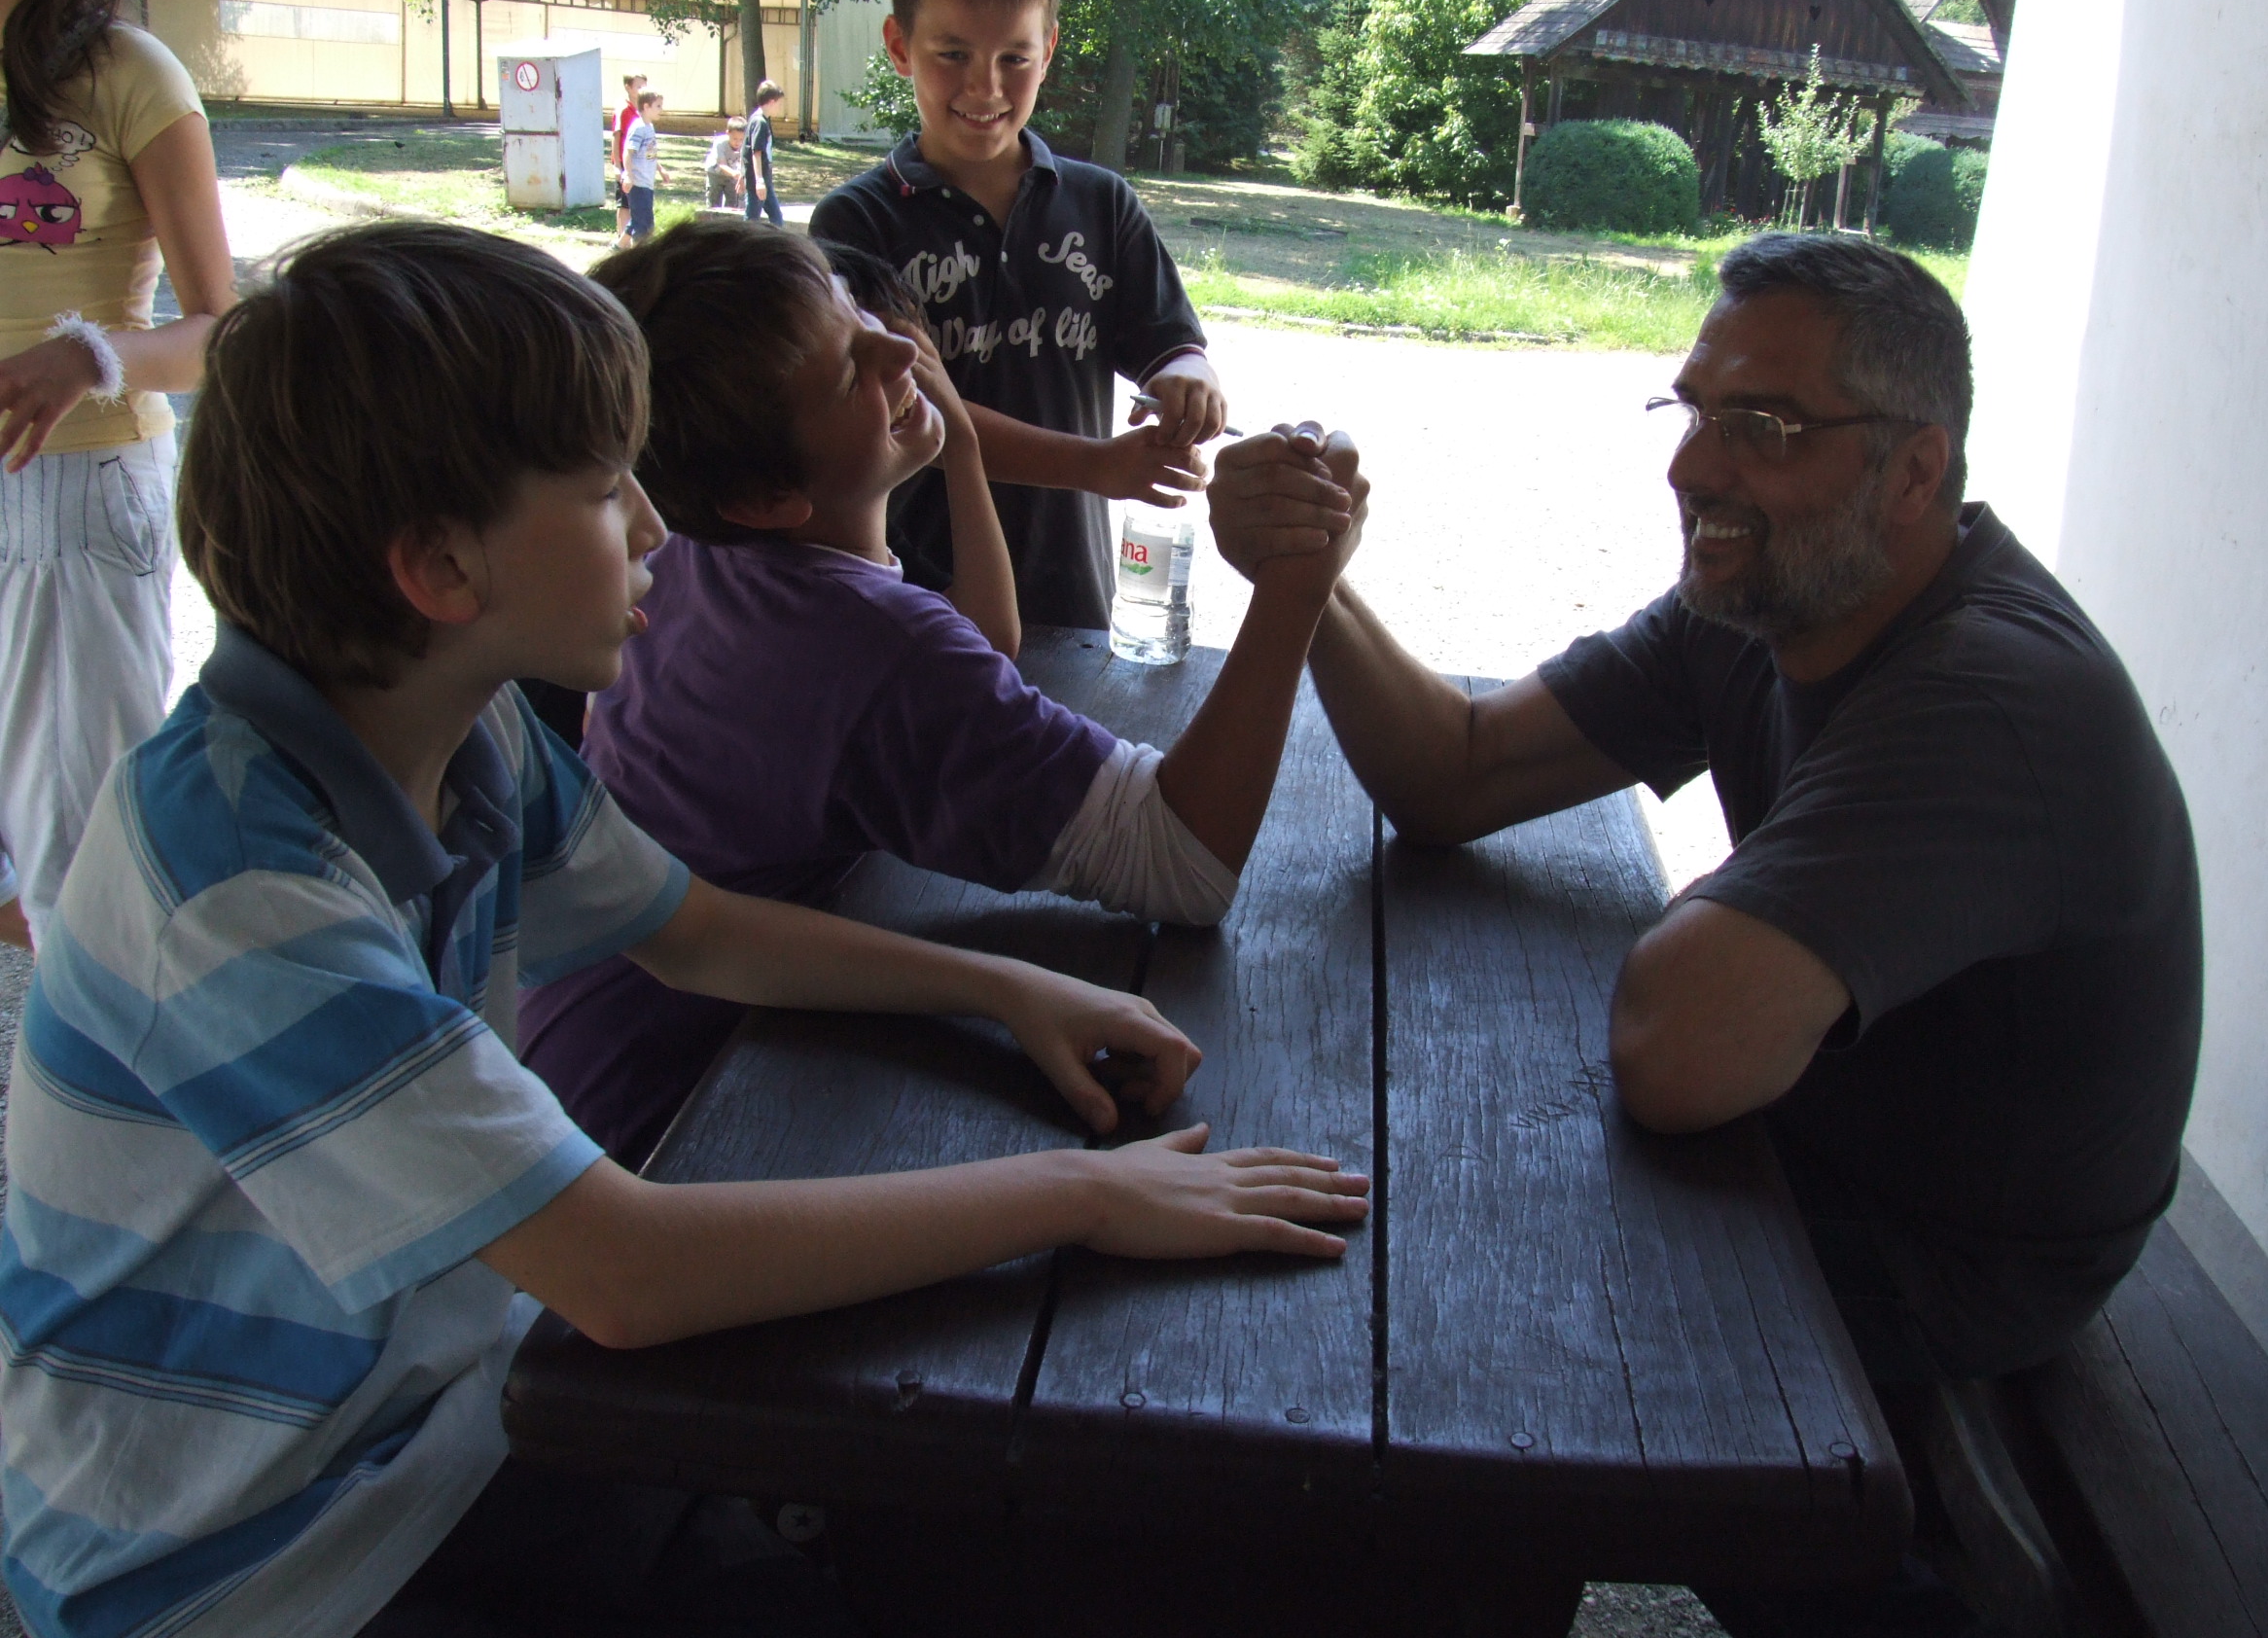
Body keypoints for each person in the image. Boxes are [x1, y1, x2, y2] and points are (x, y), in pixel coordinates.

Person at [0, 220, 1368, 1638]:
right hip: (250, 1564)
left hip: (435, 1422)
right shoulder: (236, 890)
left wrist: (1004, 986)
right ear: (443, 570)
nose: (657, 531)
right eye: (608, 493)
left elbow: (696, 927)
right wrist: (1086, 1196)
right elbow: (626, 1273)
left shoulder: (453, 729)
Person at [1209, 232, 2202, 1395]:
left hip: (1943, 1264)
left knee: (1439, 1292)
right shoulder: (1772, 600)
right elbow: (1458, 774)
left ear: (1915, 473)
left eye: (1763, 428)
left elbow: (1675, 1053)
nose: (1691, 469)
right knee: (1390, 1192)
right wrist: (1308, 578)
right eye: (1692, 413)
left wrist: (1722, 932)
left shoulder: (1990, 699)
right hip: (1806, 1141)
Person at [517, 218, 1366, 1166]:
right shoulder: (869, 642)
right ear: (765, 500)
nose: (897, 345)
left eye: (855, 309)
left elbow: (971, 657)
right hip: (677, 1123)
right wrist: (1295, 584)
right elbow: (1185, 861)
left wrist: (956, 436)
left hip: (567, 1063)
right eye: (851, 370)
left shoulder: (686, 551)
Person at [810, 0, 1226, 630]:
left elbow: (1170, 345)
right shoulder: (856, 223)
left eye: (1014, 58)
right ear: (900, 46)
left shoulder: (1102, 204)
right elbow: (907, 408)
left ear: (1049, 49)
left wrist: (1190, 382)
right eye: (953, 55)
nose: (986, 87)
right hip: (913, 601)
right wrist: (1097, 464)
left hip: (1070, 596)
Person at [0, 0, 235, 952]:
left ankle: (103, 1069)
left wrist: (89, 357)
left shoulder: (124, 73)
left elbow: (224, 329)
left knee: (78, 867)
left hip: (73, 496)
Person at [621, 87, 664, 241]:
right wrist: (628, 175)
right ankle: (638, 252)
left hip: (647, 182)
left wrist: (661, 169)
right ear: (646, 106)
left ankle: (618, 247)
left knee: (638, 219)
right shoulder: (639, 127)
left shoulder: (649, 127)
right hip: (638, 183)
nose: (661, 109)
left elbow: (649, 154)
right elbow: (628, 152)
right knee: (644, 225)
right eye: (658, 106)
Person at [741, 76, 783, 226]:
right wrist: (759, 181)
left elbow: (745, 148)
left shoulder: (760, 119)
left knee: (777, 219)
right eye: (779, 103)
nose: (779, 107)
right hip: (758, 181)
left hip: (765, 179)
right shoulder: (759, 122)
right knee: (751, 221)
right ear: (771, 102)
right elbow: (755, 152)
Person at [612, 69, 646, 246]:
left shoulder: (642, 109)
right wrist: (617, 166)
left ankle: (632, 238)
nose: (642, 90)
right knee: (624, 203)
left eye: (644, 86)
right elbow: (616, 136)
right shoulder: (624, 109)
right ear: (628, 87)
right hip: (625, 163)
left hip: (639, 163)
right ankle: (622, 241)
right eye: (639, 86)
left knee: (636, 201)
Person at [703, 113, 743, 209]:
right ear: (728, 133)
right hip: (715, 174)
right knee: (714, 200)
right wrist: (734, 173)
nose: (738, 142)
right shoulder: (720, 143)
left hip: (732, 176)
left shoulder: (745, 145)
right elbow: (722, 164)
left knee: (732, 201)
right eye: (735, 139)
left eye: (741, 139)